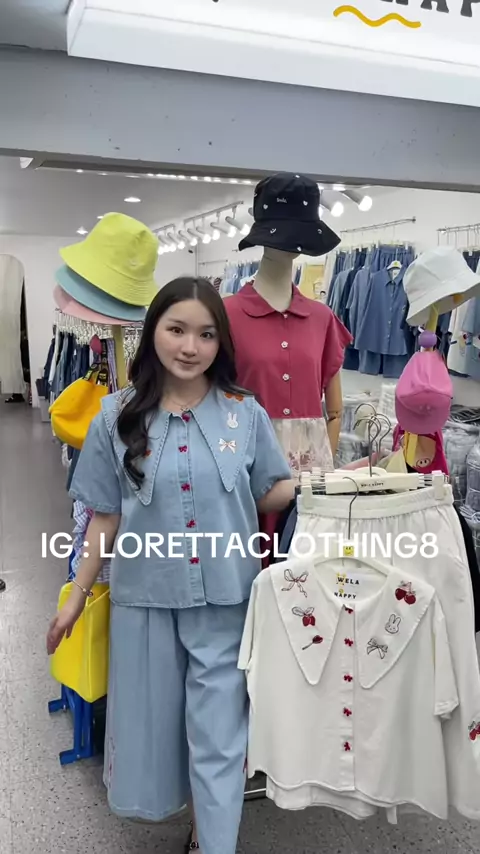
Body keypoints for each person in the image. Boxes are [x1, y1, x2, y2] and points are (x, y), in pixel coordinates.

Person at [46, 276, 294, 854]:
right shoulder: (114, 417)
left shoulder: (244, 413)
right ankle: (191, 820)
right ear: (152, 330)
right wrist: (77, 595)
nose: (190, 346)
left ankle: (213, 843)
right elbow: (105, 517)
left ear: (221, 342)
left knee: (220, 736)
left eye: (206, 335)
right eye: (177, 329)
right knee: (155, 732)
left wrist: (320, 484)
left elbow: (268, 490)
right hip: (146, 603)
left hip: (226, 602)